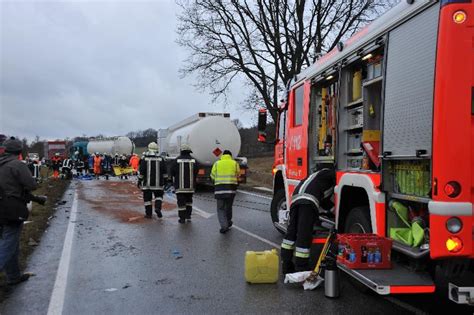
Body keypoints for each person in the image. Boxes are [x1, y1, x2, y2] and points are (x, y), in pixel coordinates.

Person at [280, 166, 336, 274]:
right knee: (304, 234)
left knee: (291, 233)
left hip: (296, 200)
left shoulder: (315, 177)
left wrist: (332, 211)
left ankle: (286, 265)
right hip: (308, 202)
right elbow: (335, 177)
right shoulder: (328, 173)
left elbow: (324, 201)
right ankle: (301, 266)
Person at [0, 138, 37, 285]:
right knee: (9, 242)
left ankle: (14, 276)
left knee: (11, 241)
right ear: (19, 152)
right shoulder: (17, 165)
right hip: (12, 208)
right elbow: (31, 184)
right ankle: (12, 275)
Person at [210, 150, 240, 233]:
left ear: (223, 155)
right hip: (231, 189)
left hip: (219, 189)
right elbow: (238, 175)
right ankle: (229, 222)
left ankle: (224, 226)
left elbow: (212, 176)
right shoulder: (234, 163)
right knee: (229, 206)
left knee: (221, 208)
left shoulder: (217, 163)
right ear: (230, 156)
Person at [137, 142, 166, 219]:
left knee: (147, 200)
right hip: (158, 184)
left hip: (147, 184)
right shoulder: (161, 159)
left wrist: (139, 181)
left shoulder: (145, 159)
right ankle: (157, 208)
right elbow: (165, 172)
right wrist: (165, 181)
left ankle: (148, 214)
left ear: (148, 149)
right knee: (159, 197)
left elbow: (142, 172)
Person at [170, 144, 198, 224]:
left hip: (180, 187)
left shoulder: (176, 160)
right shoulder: (194, 160)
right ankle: (188, 216)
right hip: (190, 187)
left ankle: (182, 219)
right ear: (189, 152)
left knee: (181, 203)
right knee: (189, 202)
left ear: (181, 151)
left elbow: (172, 172)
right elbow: (196, 171)